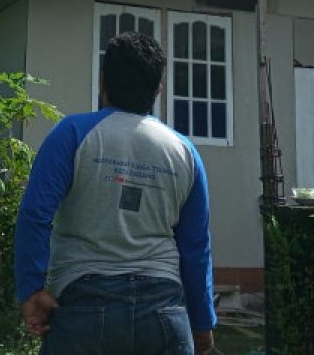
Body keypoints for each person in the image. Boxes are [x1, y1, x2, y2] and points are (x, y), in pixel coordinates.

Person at [15, 32, 217, 355]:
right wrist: (202, 323)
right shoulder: (185, 152)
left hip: (83, 309)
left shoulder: (72, 133)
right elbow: (196, 248)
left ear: (103, 80)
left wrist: (31, 289)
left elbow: (35, 214)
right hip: (165, 315)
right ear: (158, 88)